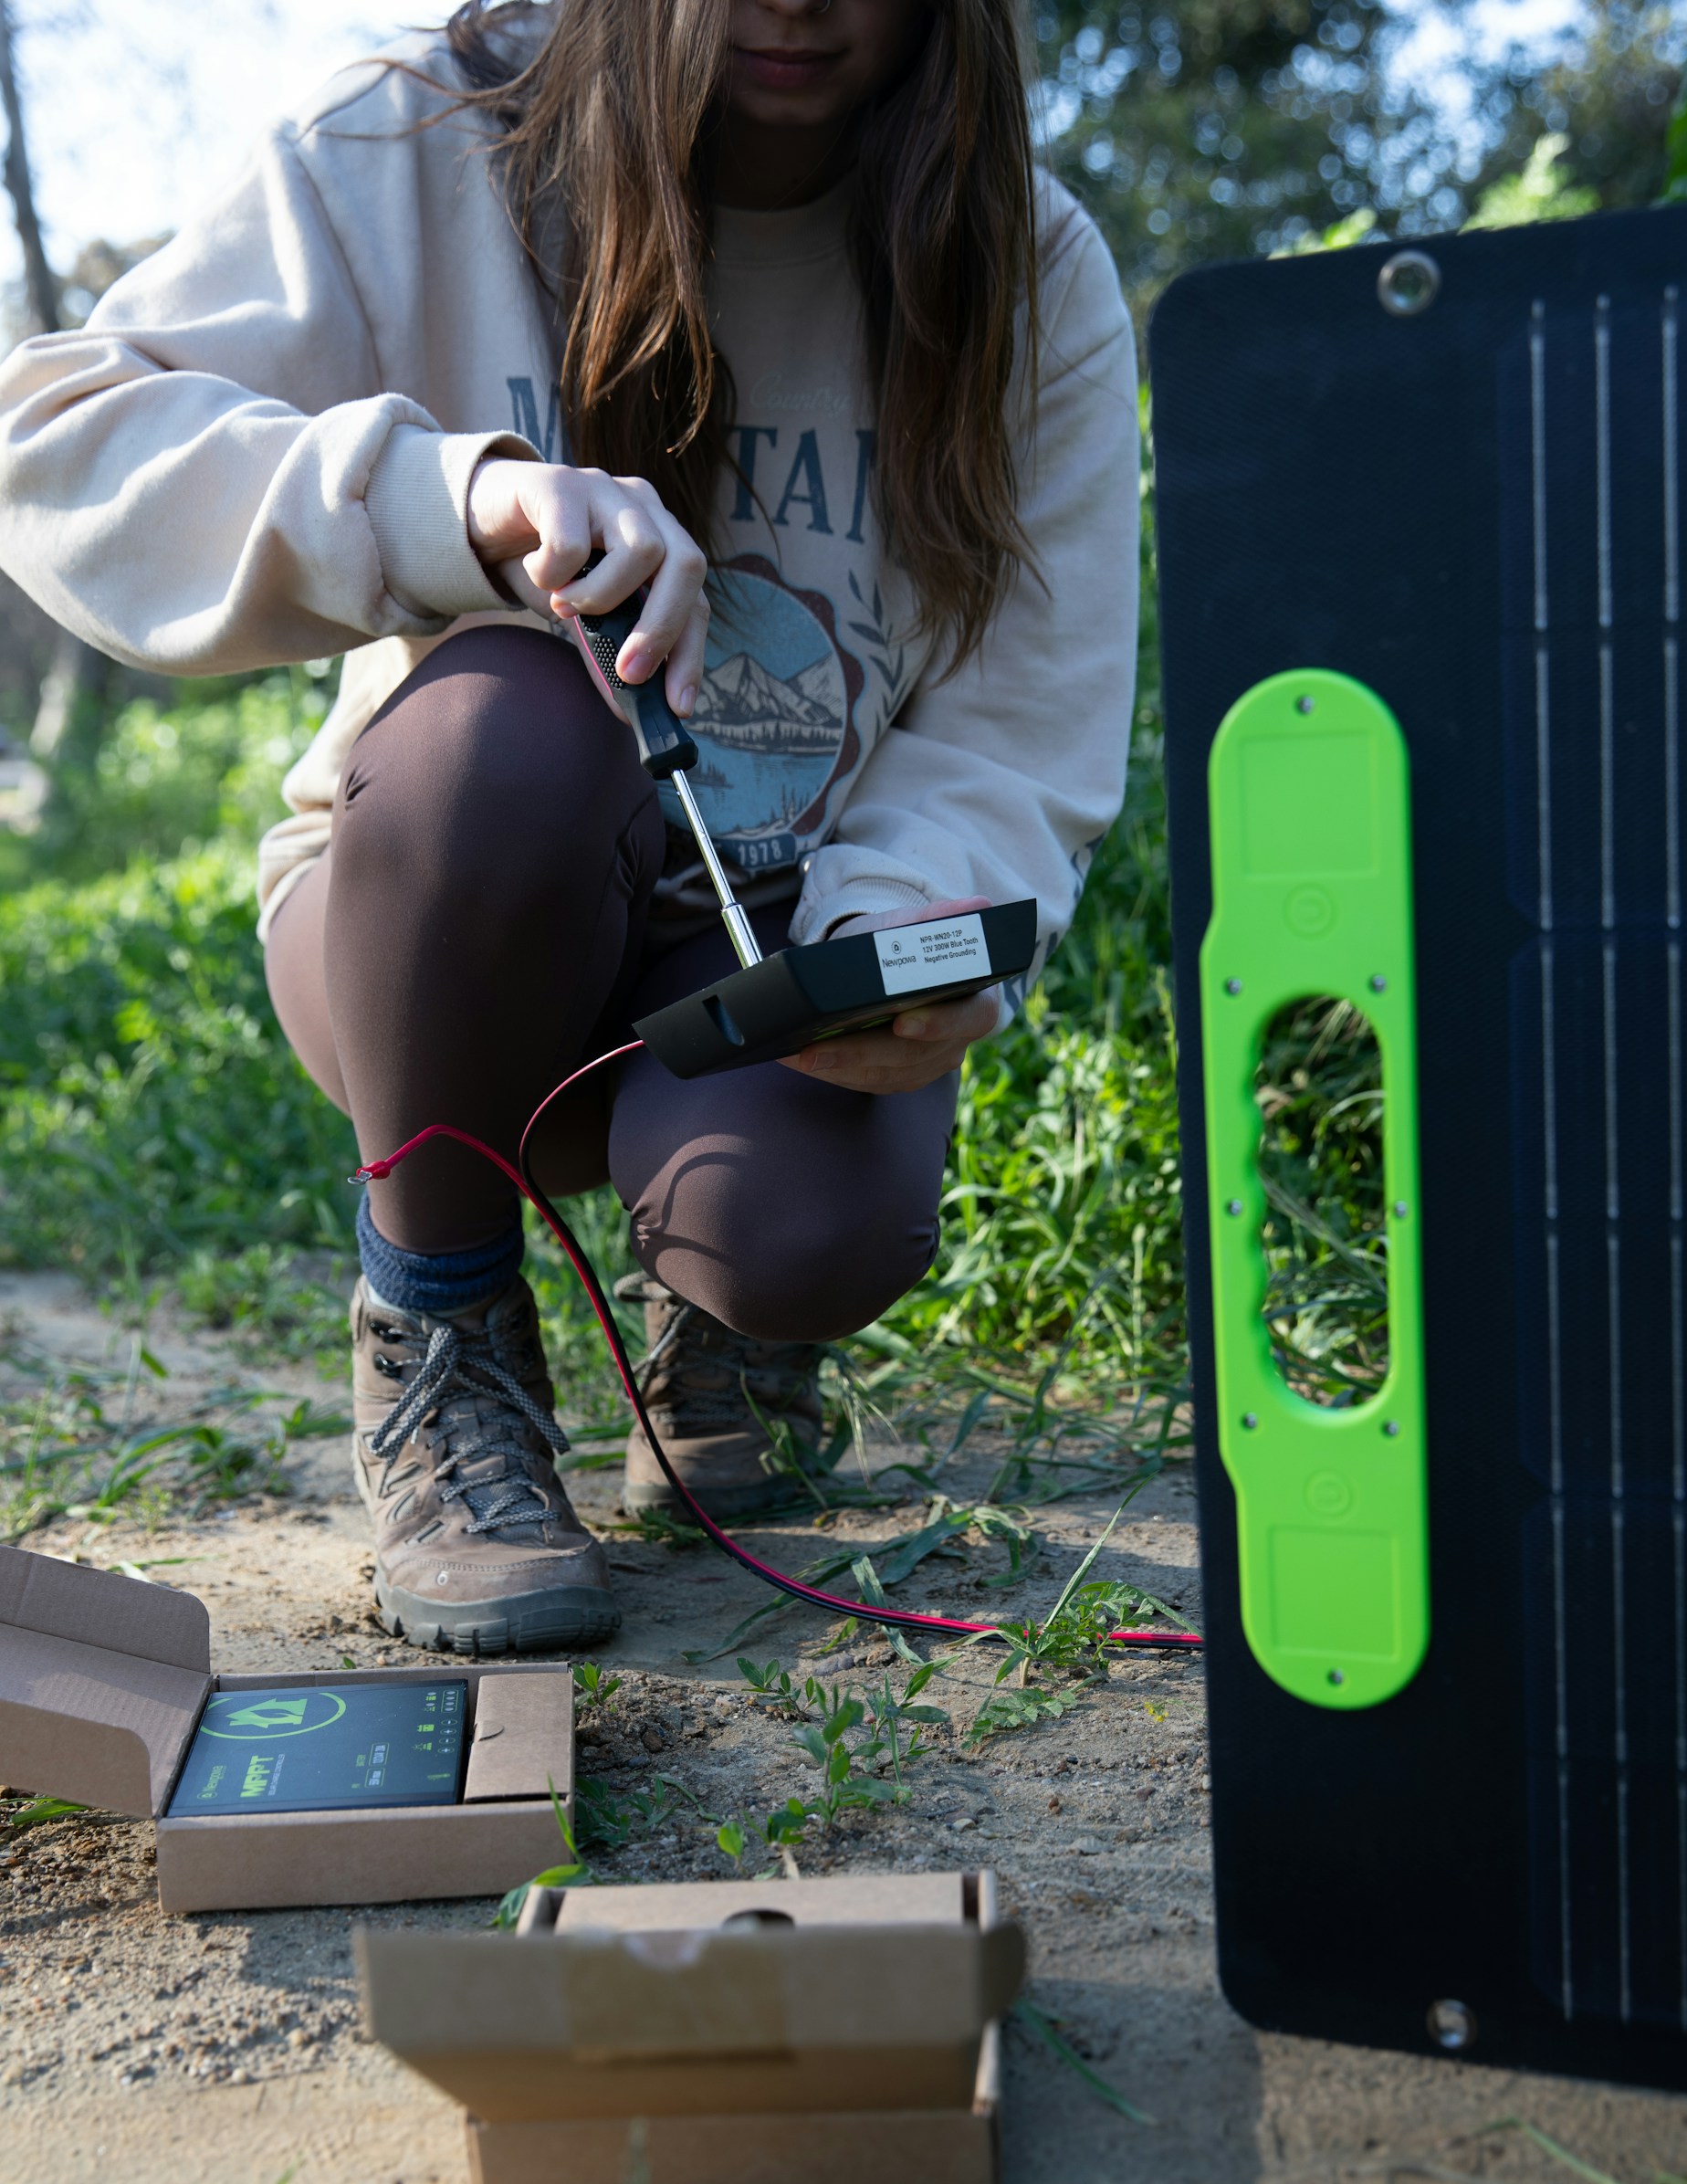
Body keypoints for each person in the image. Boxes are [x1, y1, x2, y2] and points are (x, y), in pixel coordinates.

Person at [0, 0, 1137, 1654]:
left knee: (807, 1225)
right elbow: (49, 439)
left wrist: (895, 929)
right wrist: (455, 502)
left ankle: (726, 1339)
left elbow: (1020, 722)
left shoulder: (1023, 259)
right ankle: (441, 1326)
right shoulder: (426, 134)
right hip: (443, 915)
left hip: (760, 948)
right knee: (520, 725)